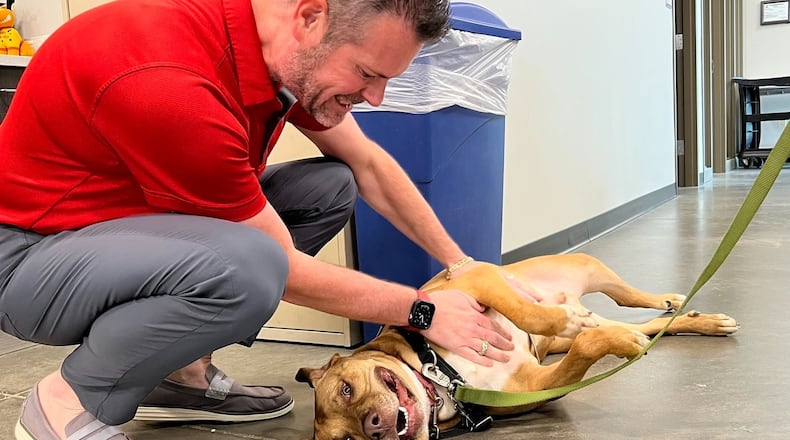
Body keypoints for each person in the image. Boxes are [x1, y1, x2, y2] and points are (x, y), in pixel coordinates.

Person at [0, 0, 516, 439]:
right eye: (367, 73)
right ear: (310, 17)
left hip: (112, 238)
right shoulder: (173, 83)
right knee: (253, 264)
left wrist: (462, 264)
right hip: (26, 261)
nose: (376, 97)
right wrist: (422, 311)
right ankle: (64, 404)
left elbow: (368, 166)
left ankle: (178, 376)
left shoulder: (277, 51)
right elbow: (284, 269)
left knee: (326, 188)